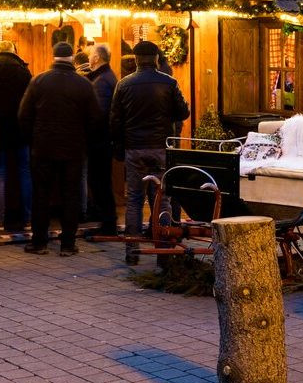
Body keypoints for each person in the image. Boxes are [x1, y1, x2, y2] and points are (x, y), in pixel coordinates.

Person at [110, 40, 190, 265]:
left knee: (134, 199)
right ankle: (163, 253)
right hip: (160, 148)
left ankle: (132, 252)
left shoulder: (124, 85)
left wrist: (118, 147)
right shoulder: (169, 83)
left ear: (136, 60)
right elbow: (183, 112)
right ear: (156, 58)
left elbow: (115, 120)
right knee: (162, 200)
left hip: (135, 149)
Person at [18, 41, 101, 256]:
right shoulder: (84, 85)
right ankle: (68, 244)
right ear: (72, 58)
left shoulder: (39, 81)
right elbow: (95, 119)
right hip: (73, 149)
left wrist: (32, 140)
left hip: (43, 148)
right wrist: (85, 142)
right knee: (70, 195)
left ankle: (39, 242)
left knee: (41, 195)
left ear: (53, 57)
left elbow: (24, 116)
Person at [0, 40, 32, 232]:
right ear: (13, 52)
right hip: (20, 128)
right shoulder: (24, 72)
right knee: (25, 173)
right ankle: (27, 220)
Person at [87, 42, 118, 235]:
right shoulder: (105, 77)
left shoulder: (102, 82)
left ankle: (108, 224)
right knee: (100, 182)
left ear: (97, 58)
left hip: (99, 142)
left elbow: (98, 114)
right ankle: (106, 221)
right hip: (102, 141)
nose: (88, 58)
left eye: (90, 55)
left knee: (100, 182)